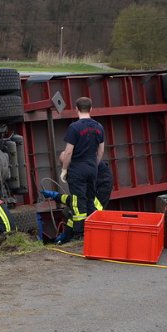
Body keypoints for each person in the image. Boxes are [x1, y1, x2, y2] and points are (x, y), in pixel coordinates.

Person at [56, 96, 105, 242]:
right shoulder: (99, 127)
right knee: (91, 198)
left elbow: (69, 152)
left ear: (76, 109)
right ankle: (95, 228)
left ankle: (79, 234)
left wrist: (64, 170)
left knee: (78, 201)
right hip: (92, 167)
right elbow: (101, 151)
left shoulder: (74, 127)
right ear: (91, 109)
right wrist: (94, 166)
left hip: (77, 169)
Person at [41, 159, 113, 244]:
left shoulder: (79, 174)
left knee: (86, 213)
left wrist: (67, 235)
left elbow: (76, 204)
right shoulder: (81, 168)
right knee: (75, 209)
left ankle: (83, 236)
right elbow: (75, 200)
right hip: (96, 184)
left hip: (100, 189)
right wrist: (56, 196)